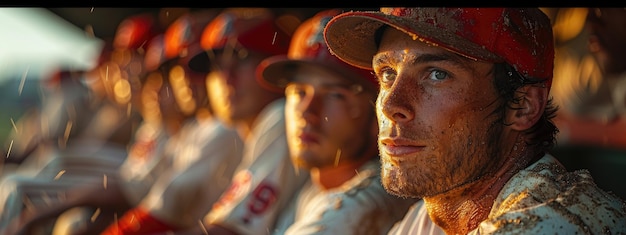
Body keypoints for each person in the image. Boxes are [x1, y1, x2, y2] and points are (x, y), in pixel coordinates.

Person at [323, 7, 626, 234]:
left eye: (437, 74)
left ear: (523, 106)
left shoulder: (552, 222)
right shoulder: (429, 217)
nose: (390, 104)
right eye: (388, 74)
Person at [255, 9, 418, 235]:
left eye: (335, 94)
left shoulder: (367, 202)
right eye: (299, 92)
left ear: (378, 110)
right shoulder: (314, 185)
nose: (308, 112)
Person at [175, 7, 309, 235]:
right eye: (217, 66)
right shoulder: (244, 132)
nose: (227, 78)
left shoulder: (282, 117)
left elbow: (228, 231)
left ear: (275, 66)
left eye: (243, 58)